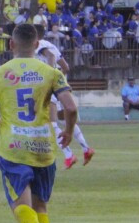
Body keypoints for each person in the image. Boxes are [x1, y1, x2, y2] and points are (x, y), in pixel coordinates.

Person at [0, 22, 77, 223]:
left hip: (14, 149)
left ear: (11, 45)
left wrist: (6, 125)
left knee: (21, 207)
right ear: (37, 45)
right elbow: (71, 107)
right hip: (44, 148)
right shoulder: (51, 72)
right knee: (40, 203)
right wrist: (68, 131)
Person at [34, 25, 94, 168]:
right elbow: (65, 67)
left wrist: (49, 78)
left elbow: (50, 56)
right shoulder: (51, 44)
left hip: (48, 87)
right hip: (58, 86)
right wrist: (61, 83)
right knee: (63, 119)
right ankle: (86, 149)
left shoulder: (39, 45)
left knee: (51, 123)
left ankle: (69, 155)